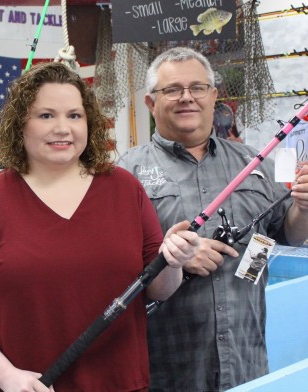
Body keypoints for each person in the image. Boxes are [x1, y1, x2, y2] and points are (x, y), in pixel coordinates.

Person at [0, 61, 200, 392]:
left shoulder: (124, 189)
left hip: (118, 383)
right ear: (20, 124)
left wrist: (171, 260)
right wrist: (5, 375)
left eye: (74, 116)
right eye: (46, 115)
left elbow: (159, 288)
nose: (63, 128)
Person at [118, 46, 308, 391]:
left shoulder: (255, 163)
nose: (186, 98)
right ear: (150, 103)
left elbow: (288, 235)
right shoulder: (124, 175)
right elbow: (110, 266)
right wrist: (170, 259)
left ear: (213, 95)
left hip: (246, 364)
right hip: (165, 371)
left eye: (197, 87)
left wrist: (305, 208)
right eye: (173, 90)